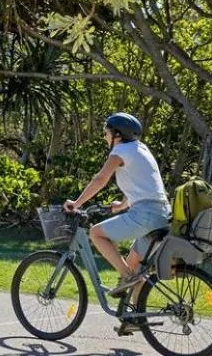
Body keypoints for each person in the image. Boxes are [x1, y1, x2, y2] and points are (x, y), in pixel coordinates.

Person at [64, 112, 171, 297]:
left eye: (106, 132)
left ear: (118, 135)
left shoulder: (120, 151)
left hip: (145, 215)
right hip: (162, 214)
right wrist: (122, 205)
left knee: (96, 233)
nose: (105, 136)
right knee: (133, 266)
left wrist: (76, 203)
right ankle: (134, 317)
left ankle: (128, 277)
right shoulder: (141, 149)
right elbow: (143, 183)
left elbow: (100, 179)